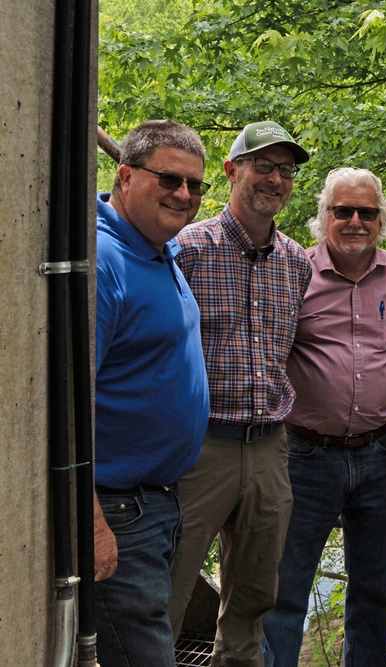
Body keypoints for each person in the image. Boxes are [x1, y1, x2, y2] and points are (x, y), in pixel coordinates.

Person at [261, 168, 386, 666]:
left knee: (375, 593)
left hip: (380, 452)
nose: (355, 221)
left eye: (366, 212)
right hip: (304, 454)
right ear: (323, 217)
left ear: (381, 220)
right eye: (343, 211)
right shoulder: (293, 273)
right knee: (284, 591)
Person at [167, 120, 312, 665]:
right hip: (199, 448)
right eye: (263, 166)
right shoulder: (187, 249)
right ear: (231, 171)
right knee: (169, 590)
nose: (275, 179)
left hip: (271, 447)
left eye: (285, 170)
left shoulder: (297, 263)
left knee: (254, 597)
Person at [93, 119, 210, 666]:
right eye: (168, 180)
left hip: (156, 502)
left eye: (194, 185)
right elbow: (62, 407)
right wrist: (90, 520)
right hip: (116, 509)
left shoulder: (158, 248)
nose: (183, 195)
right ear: (124, 175)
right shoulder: (103, 263)